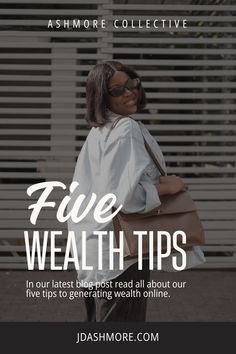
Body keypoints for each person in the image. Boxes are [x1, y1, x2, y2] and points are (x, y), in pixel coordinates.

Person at [67, 61, 205, 322]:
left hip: (95, 247)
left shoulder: (98, 132)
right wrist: (168, 186)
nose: (129, 92)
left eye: (130, 85)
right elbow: (124, 197)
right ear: (102, 96)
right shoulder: (126, 129)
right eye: (117, 90)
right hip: (122, 249)